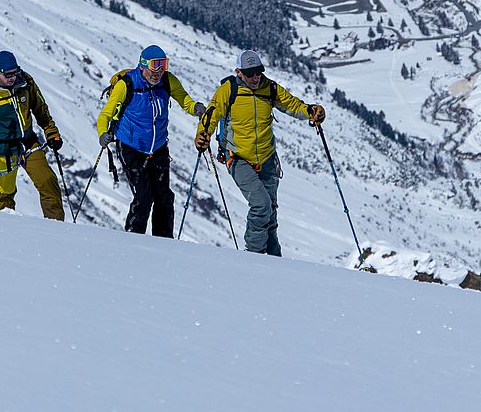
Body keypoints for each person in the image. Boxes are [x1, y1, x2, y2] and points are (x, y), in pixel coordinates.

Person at [196, 50, 325, 256]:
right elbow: (212, 115)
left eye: (259, 72)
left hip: (267, 159)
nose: (256, 77)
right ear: (239, 72)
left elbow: (291, 104)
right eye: (250, 73)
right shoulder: (228, 90)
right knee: (261, 205)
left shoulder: (269, 87)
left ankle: (274, 259)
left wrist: (310, 111)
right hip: (238, 158)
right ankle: (254, 257)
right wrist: (203, 135)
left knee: (270, 212)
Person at [96, 45, 206, 237]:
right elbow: (106, 113)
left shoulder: (168, 81)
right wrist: (103, 133)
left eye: (163, 65)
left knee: (164, 197)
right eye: (155, 66)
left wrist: (195, 107)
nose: (158, 71)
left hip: (158, 148)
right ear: (142, 66)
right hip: (131, 147)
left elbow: (184, 100)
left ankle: (163, 241)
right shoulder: (127, 84)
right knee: (144, 195)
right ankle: (133, 237)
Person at [0, 50, 65, 218]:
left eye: (15, 73)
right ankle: (7, 232)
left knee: (48, 181)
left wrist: (51, 133)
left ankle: (56, 227)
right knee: (5, 194)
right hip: (0, 148)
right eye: (8, 75)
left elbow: (41, 111)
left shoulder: (25, 82)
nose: (12, 78)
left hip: (27, 142)